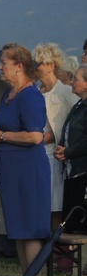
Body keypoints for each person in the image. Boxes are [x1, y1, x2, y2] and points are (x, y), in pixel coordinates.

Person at [0, 43, 50, 276]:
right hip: (10, 171)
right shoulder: (10, 94)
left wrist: (2, 135)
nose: (0, 67)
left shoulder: (30, 95)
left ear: (19, 66)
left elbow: (35, 136)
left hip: (27, 171)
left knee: (29, 230)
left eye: (4, 63)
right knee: (18, 230)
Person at [32, 43, 78, 228]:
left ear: (52, 65)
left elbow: (74, 119)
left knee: (55, 203)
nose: (36, 67)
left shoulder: (65, 92)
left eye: (40, 63)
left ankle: (55, 247)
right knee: (40, 201)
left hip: (53, 153)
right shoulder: (35, 91)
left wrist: (54, 136)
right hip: (36, 151)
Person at [55, 64, 87, 233]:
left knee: (78, 219)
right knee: (69, 219)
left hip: (82, 170)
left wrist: (68, 152)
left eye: (76, 79)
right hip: (71, 170)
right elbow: (68, 130)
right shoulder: (78, 106)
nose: (72, 82)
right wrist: (60, 147)